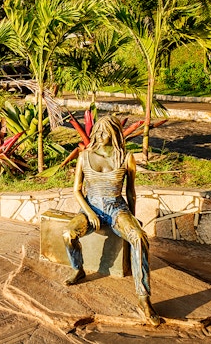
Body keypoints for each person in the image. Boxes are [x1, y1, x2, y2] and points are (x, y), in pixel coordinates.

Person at [62, 115, 161, 326]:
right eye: (97, 131)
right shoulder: (84, 156)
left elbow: (131, 192)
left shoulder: (126, 157)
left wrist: (132, 219)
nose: (99, 135)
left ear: (115, 133)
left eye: (105, 131)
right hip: (91, 208)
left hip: (117, 208)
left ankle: (144, 299)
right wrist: (89, 213)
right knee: (68, 234)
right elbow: (77, 190)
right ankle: (77, 269)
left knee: (139, 237)